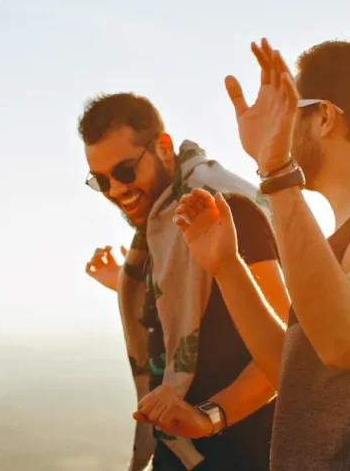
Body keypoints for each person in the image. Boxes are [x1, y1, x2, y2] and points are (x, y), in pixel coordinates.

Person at [169, 34, 350, 470]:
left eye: (290, 114)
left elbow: (344, 343)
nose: (280, 131)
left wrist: (275, 170)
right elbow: (298, 373)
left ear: (324, 117)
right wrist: (227, 266)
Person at [80, 93, 290, 471]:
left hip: (238, 451)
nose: (115, 190)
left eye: (125, 171)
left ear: (162, 147)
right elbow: (199, 305)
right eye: (101, 180)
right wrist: (125, 283)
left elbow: (285, 352)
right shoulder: (163, 224)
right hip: (180, 449)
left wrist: (209, 417)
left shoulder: (226, 208)